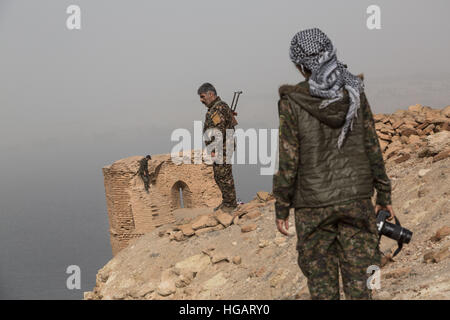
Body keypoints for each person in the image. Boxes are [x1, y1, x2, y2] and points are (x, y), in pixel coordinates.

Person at [272, 28, 395, 300]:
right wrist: (384, 193)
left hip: (312, 207)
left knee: (322, 288)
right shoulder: (354, 91)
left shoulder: (291, 102)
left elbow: (288, 160)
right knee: (362, 285)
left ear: (300, 65)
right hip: (357, 200)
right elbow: (371, 144)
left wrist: (281, 207)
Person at [198, 82, 238, 213]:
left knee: (224, 175)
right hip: (223, 146)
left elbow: (218, 131)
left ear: (211, 94)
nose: (201, 100)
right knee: (219, 175)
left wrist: (215, 150)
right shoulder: (219, 107)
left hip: (222, 147)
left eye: (203, 96)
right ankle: (227, 201)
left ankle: (231, 204)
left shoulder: (217, 108)